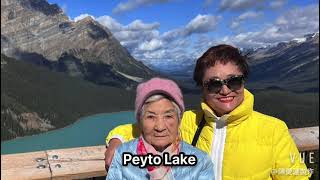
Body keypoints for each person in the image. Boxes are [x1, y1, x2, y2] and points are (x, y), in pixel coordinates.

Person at [105, 45, 309, 179]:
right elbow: (135, 128)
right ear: (202, 87)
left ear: (244, 82)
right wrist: (116, 141)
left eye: (234, 81)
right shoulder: (187, 122)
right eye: (214, 84)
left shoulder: (273, 130)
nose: (225, 90)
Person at [106, 77, 214, 180]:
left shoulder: (201, 162)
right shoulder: (122, 155)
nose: (160, 127)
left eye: (168, 116)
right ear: (140, 120)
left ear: (179, 119)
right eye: (151, 117)